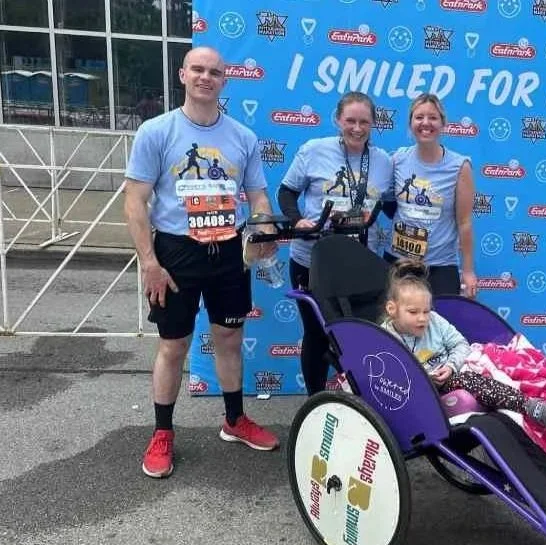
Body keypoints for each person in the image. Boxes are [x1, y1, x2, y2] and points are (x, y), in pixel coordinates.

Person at [124, 46, 279, 479]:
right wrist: (149, 262)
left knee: (229, 339)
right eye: (198, 69)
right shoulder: (156, 132)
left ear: (224, 81)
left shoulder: (244, 137)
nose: (205, 77)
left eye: (214, 72)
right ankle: (162, 432)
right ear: (182, 75)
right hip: (176, 252)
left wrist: (263, 226)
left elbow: (259, 195)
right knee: (173, 346)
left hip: (228, 249)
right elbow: (135, 201)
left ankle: (234, 420)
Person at [277, 91, 395, 396]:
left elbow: (394, 205)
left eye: (364, 122)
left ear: (374, 124)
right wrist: (297, 220)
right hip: (311, 260)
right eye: (350, 121)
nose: (357, 128)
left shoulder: (383, 161)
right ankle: (314, 403)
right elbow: (286, 193)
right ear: (337, 120)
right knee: (317, 334)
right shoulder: (313, 150)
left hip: (360, 264)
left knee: (358, 336)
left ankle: (360, 403)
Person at [381, 259, 546, 430]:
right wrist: (427, 379)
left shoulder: (434, 320)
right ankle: (528, 406)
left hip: (454, 372)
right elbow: (389, 379)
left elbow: (460, 344)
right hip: (422, 395)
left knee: (496, 364)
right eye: (413, 312)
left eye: (426, 311)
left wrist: (451, 366)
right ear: (392, 309)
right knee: (468, 381)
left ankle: (540, 395)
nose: (422, 318)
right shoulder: (383, 337)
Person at [386, 93, 478, 298]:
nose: (425, 123)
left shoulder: (459, 166)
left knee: (438, 328)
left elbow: (464, 222)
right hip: (398, 262)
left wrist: (469, 271)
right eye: (419, 117)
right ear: (410, 123)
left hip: (440, 267)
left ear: (443, 123)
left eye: (433, 117)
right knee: (393, 327)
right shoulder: (397, 159)